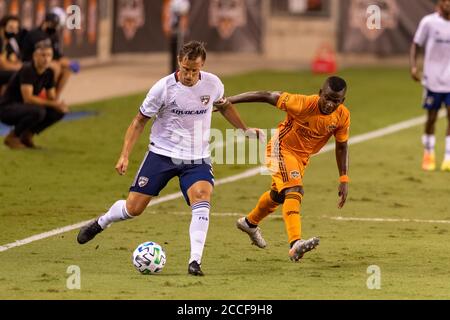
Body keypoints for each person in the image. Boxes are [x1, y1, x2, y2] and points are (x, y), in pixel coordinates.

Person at [77, 41, 263, 276]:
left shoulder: (213, 84)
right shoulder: (162, 89)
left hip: (197, 158)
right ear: (179, 62)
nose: (189, 75)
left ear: (202, 66)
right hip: (162, 155)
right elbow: (139, 121)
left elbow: (224, 106)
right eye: (185, 69)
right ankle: (101, 222)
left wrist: (244, 130)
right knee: (134, 208)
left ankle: (195, 261)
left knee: (202, 198)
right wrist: (124, 154)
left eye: (194, 70)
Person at [227, 76, 350, 262]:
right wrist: (229, 100)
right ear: (320, 93)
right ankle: (295, 244)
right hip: (280, 149)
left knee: (278, 195)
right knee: (295, 189)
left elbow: (342, 146)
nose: (330, 104)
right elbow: (266, 95)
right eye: (327, 98)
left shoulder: (342, 116)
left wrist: (344, 179)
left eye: (336, 100)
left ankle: (249, 223)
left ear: (342, 101)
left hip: (301, 159)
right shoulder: (301, 103)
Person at [0, 40, 68, 149]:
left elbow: (51, 97)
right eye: (43, 55)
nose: (46, 59)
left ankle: (27, 136)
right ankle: (12, 137)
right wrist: (53, 103)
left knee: (57, 112)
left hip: (25, 108)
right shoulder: (28, 70)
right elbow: (28, 99)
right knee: (38, 111)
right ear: (35, 56)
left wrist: (59, 105)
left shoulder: (49, 72)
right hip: (7, 109)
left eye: (49, 55)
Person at [410, 0, 450, 172]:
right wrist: (413, 66)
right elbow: (416, 44)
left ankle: (448, 157)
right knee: (431, 117)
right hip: (432, 79)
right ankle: (429, 153)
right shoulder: (428, 22)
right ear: (440, 4)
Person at [21, 12, 74, 100]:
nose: (54, 27)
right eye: (53, 24)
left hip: (48, 61)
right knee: (55, 67)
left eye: (56, 25)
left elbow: (58, 56)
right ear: (45, 22)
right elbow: (33, 54)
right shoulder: (34, 34)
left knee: (67, 69)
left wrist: (70, 63)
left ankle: (55, 98)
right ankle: (44, 95)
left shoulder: (54, 35)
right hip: (31, 61)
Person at [162, 0, 190, 73]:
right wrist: (166, 24)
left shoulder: (184, 2)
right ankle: (173, 71)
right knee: (174, 50)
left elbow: (185, 16)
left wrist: (184, 27)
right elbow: (166, 11)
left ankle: (182, 69)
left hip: (180, 30)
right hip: (173, 27)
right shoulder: (170, 1)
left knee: (182, 50)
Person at [0, 15, 22, 94]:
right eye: (11, 28)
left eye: (16, 28)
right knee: (15, 75)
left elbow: (16, 60)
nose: (14, 31)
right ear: (2, 27)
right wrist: (20, 67)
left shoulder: (12, 42)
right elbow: (3, 65)